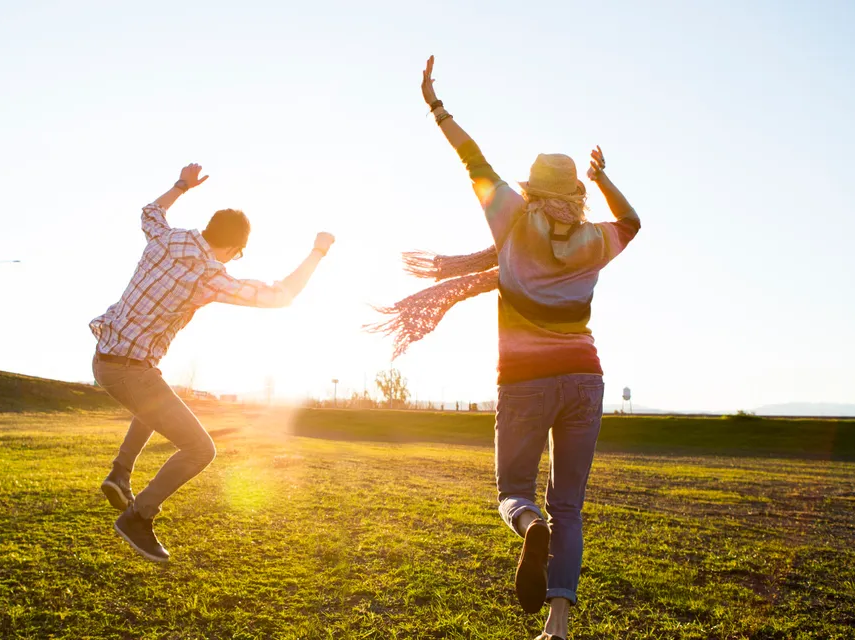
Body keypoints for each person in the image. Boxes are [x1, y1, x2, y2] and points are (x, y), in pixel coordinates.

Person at [371, 57, 641, 639]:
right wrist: (602, 180)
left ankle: (527, 527)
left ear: (530, 190)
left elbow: (472, 158)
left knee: (514, 492)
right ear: (574, 191)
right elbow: (633, 221)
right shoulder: (596, 240)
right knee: (570, 505)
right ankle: (558, 626)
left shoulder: (512, 220)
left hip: (522, 381)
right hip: (584, 379)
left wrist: (436, 107)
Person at [90, 163, 335, 562]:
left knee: (155, 402)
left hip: (106, 359)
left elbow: (149, 212)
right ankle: (138, 516)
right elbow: (279, 296)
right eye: (237, 256)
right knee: (200, 449)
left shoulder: (165, 239)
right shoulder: (208, 274)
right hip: (128, 369)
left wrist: (182, 185)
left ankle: (120, 472)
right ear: (234, 248)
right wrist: (317, 252)